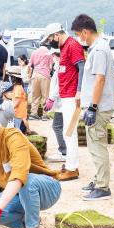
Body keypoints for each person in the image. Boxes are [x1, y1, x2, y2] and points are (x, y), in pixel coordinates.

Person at [72, 14, 114, 201]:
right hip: (96, 105)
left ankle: (102, 187)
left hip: (98, 108)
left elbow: (100, 79)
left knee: (97, 146)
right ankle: (98, 179)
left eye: (78, 34)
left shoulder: (99, 50)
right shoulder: (97, 47)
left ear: (85, 31)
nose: (78, 38)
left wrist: (93, 107)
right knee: (94, 145)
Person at [42, 23, 85, 181]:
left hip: (73, 96)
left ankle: (72, 168)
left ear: (57, 34)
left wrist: (79, 91)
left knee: (69, 133)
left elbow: (81, 67)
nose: (50, 42)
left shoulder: (72, 45)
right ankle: (70, 164)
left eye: (50, 39)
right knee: (68, 133)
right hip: (66, 95)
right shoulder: (64, 46)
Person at [44, 50, 66, 161]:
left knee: (57, 126)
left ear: (56, 55)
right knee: (60, 126)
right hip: (61, 101)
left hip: (62, 102)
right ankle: (63, 150)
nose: (52, 58)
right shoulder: (58, 66)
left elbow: (59, 85)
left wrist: (51, 98)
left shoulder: (62, 66)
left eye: (53, 56)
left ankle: (63, 151)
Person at [29, 44, 53, 120]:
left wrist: (29, 77)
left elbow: (30, 65)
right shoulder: (49, 53)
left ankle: (33, 114)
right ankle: (45, 115)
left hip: (35, 75)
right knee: (45, 96)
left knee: (35, 95)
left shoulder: (34, 52)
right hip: (45, 75)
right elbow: (50, 67)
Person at [8, 66, 29, 134]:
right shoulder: (18, 86)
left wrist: (10, 108)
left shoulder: (17, 87)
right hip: (19, 111)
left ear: (14, 78)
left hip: (18, 112)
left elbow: (17, 101)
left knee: (17, 129)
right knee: (17, 128)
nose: (9, 78)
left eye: (10, 76)